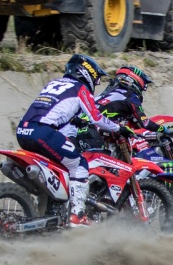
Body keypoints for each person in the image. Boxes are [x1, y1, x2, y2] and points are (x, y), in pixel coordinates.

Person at [16, 54, 131, 227]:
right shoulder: (80, 88)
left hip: (23, 130)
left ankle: (51, 209)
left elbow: (56, 113)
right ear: (87, 74)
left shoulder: (53, 84)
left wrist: (74, 126)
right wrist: (118, 128)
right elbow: (96, 118)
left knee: (59, 167)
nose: (96, 84)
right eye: (96, 79)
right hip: (42, 132)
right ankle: (77, 215)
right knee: (79, 165)